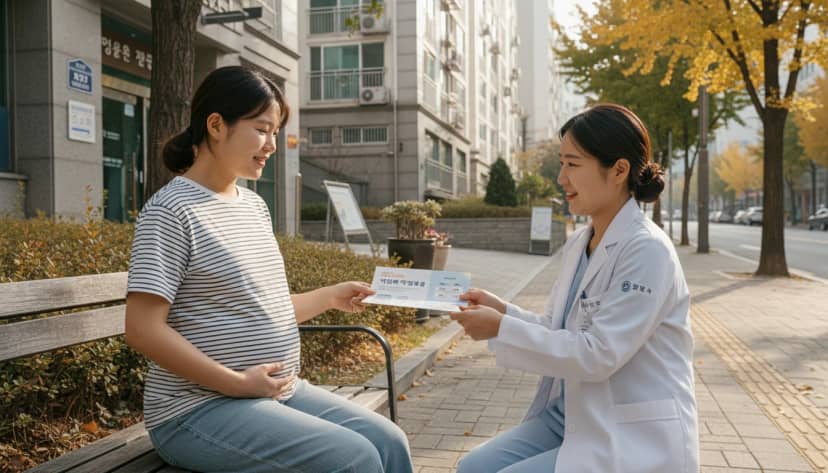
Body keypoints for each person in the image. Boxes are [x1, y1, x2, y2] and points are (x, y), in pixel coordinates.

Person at [124, 66, 413, 473]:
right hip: (195, 410)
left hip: (273, 393)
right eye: (262, 129)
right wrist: (235, 383)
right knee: (356, 458)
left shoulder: (253, 206)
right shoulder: (171, 212)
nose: (272, 144)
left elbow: (267, 308)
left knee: (389, 442)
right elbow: (142, 329)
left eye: (275, 132)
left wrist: (331, 295)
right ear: (216, 125)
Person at [451, 103, 699, 473]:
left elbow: (598, 354)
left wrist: (501, 328)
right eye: (562, 164)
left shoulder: (647, 250)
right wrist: (503, 310)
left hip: (630, 432)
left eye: (573, 164)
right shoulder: (581, 241)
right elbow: (558, 327)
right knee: (473, 468)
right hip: (571, 416)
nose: (561, 178)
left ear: (618, 170)